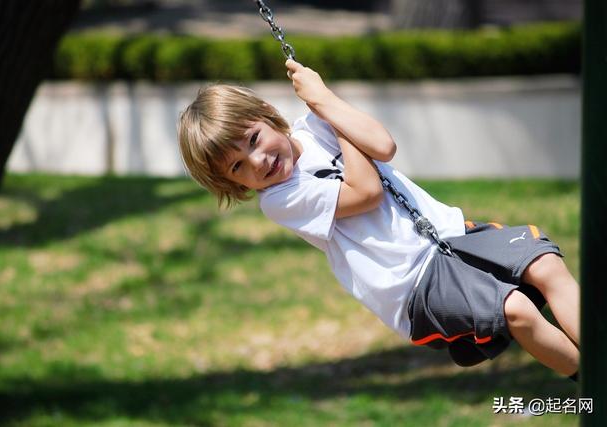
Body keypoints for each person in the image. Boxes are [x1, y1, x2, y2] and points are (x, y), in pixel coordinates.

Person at [178, 59, 580, 381]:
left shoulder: (315, 124)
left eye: (253, 140)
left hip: (451, 235)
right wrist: (332, 117)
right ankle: (590, 385)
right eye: (238, 166)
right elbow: (366, 193)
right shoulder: (281, 198)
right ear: (232, 183)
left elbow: (383, 146)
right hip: (412, 283)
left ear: (267, 115)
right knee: (516, 310)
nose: (258, 160)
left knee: (544, 263)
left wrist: (324, 101)